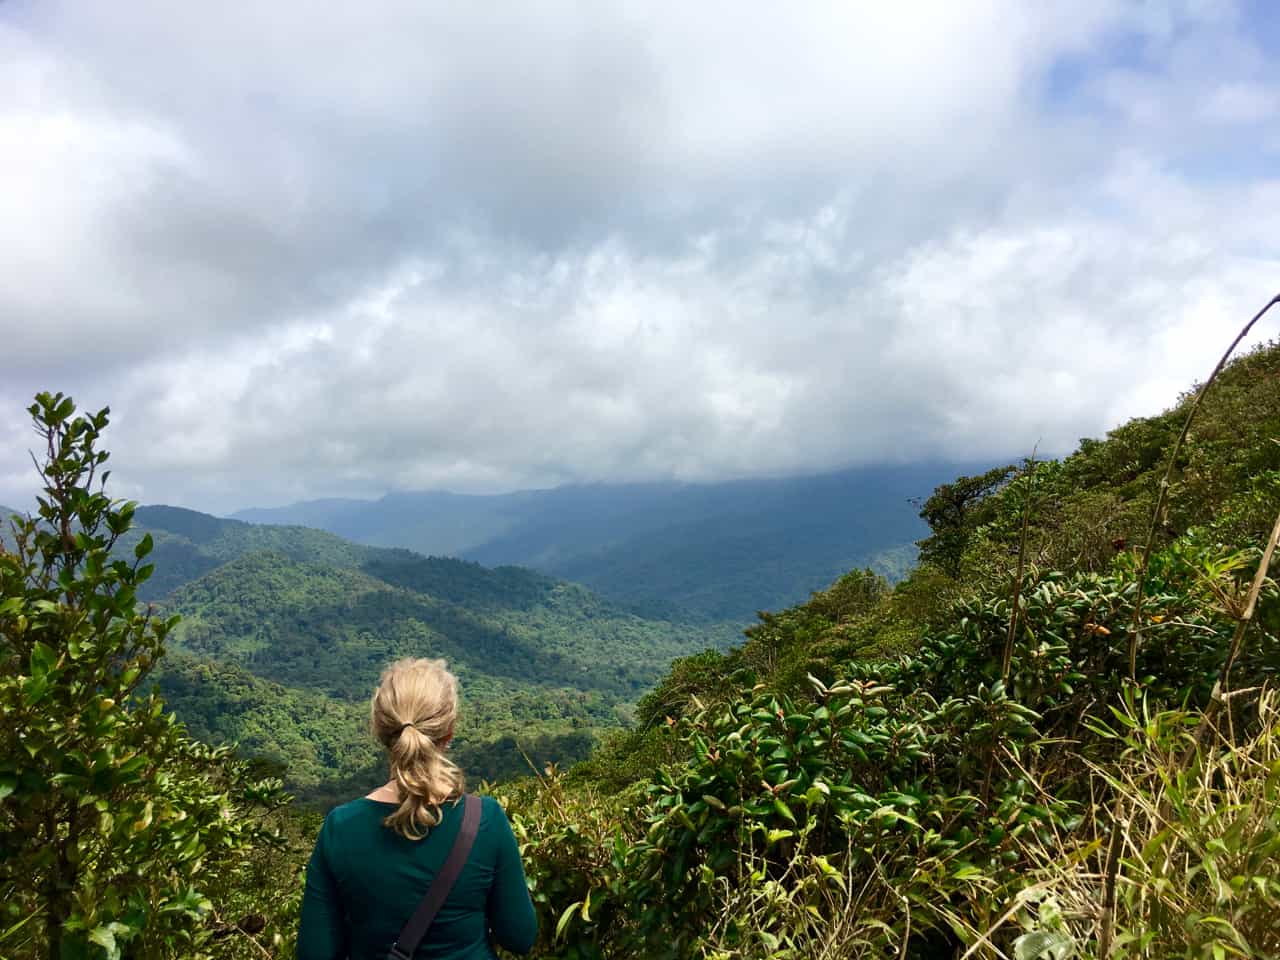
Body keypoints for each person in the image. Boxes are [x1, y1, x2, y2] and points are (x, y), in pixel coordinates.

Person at [298, 658, 537, 959]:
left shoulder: (340, 828)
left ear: (381, 732)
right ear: (449, 732)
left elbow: (314, 952)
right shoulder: (485, 820)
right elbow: (520, 936)